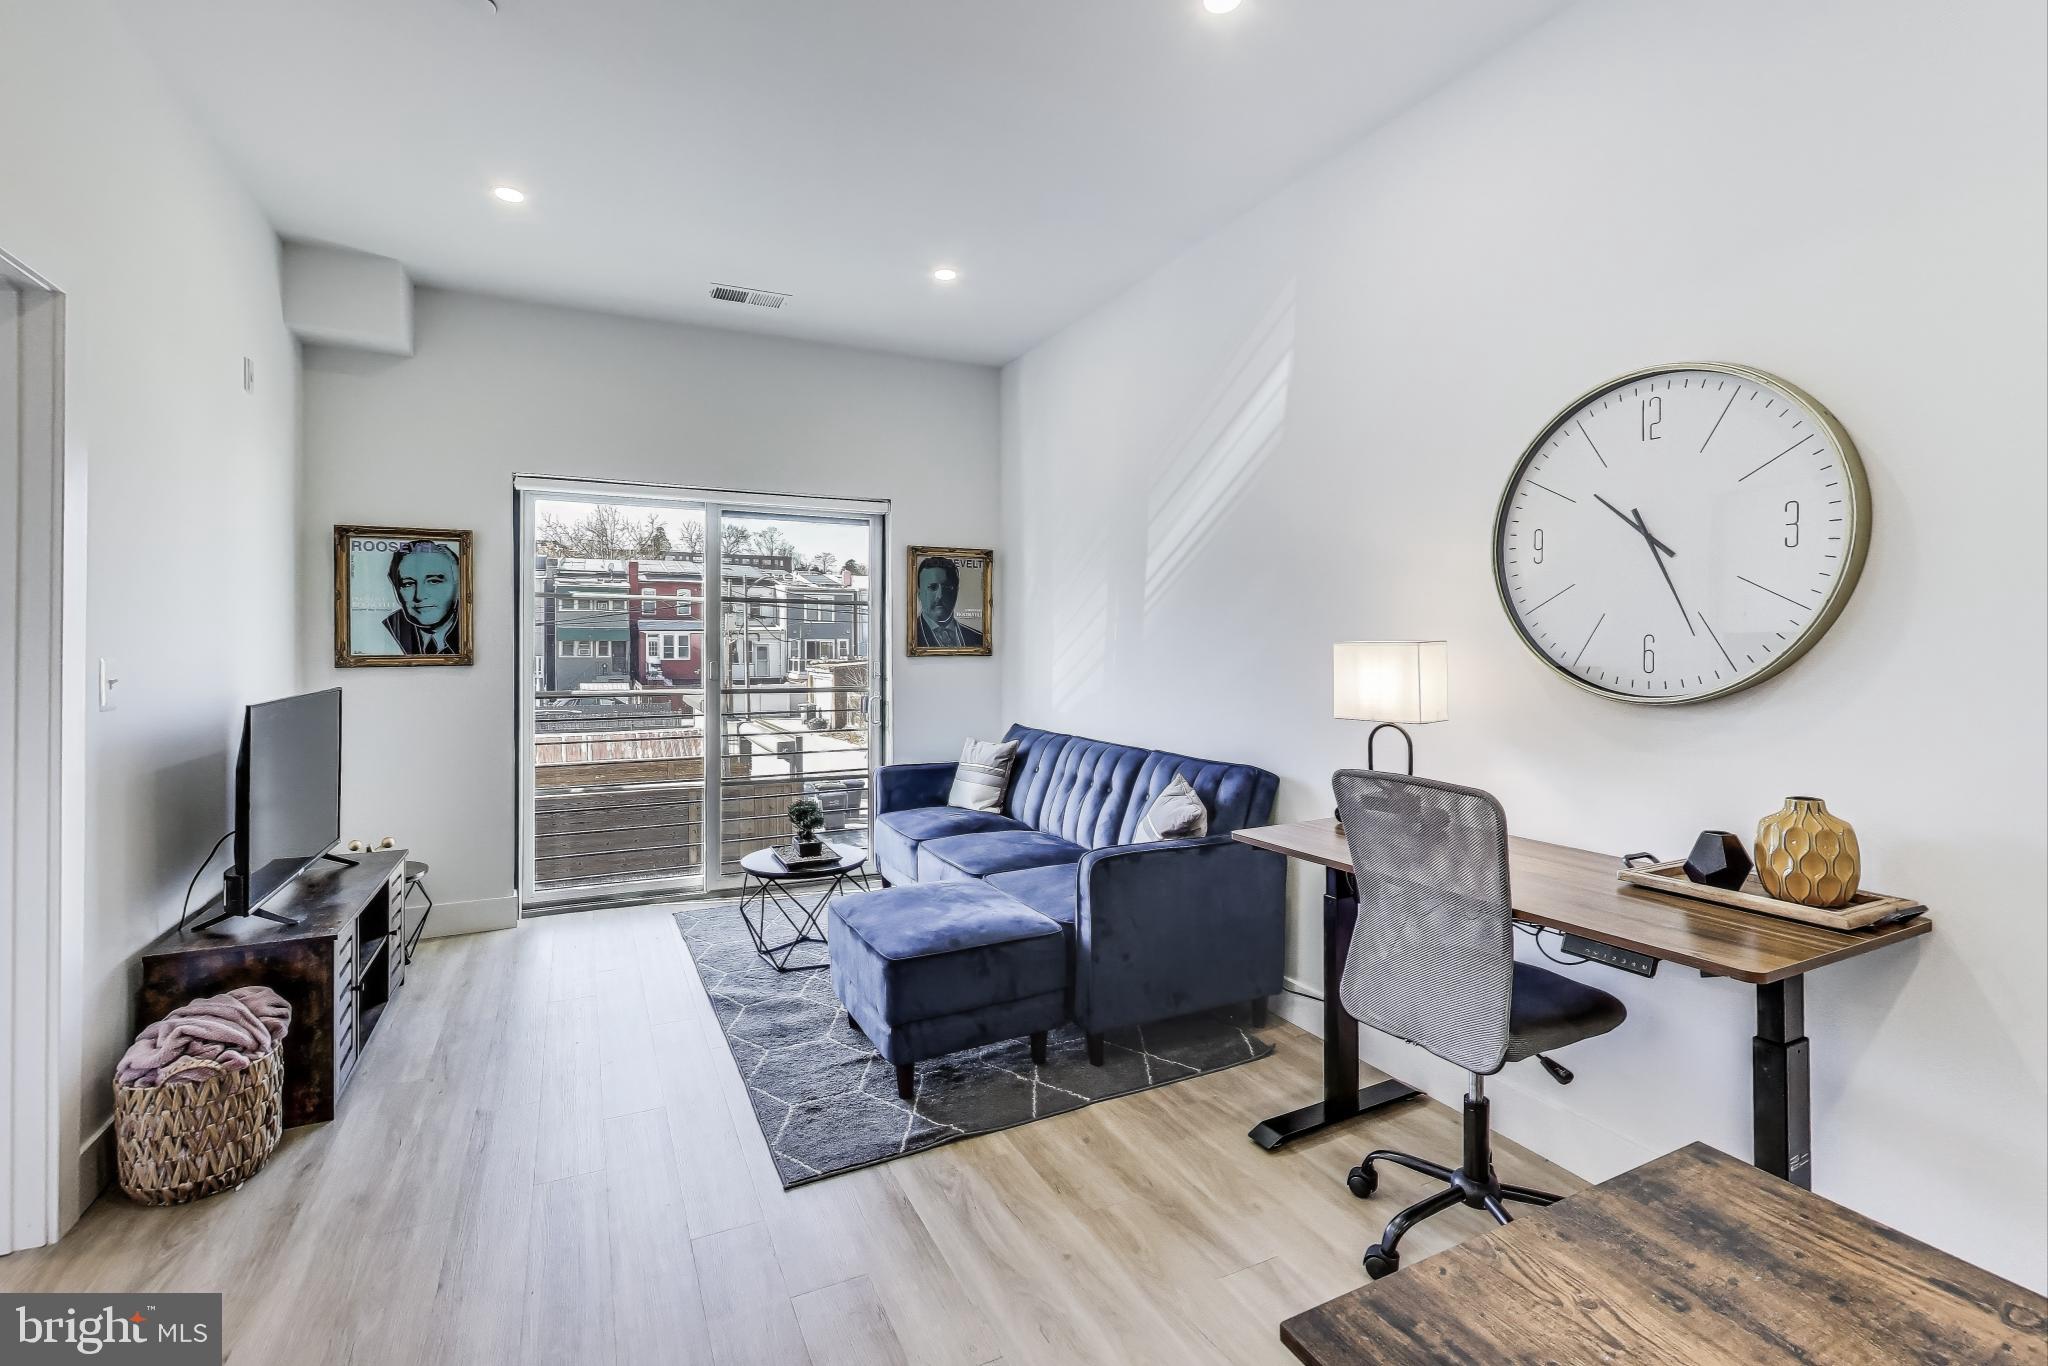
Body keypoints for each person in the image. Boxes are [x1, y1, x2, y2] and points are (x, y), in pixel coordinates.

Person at [382, 540, 463, 654]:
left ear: (458, 585)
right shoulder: (386, 631)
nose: (419, 595)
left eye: (434, 581)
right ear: (395, 588)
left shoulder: (473, 629)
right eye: (408, 584)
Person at [914, 555, 984, 648]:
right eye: (932, 587)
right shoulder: (910, 637)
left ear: (956, 591)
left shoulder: (979, 639)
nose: (940, 595)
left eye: (947, 587)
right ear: (919, 593)